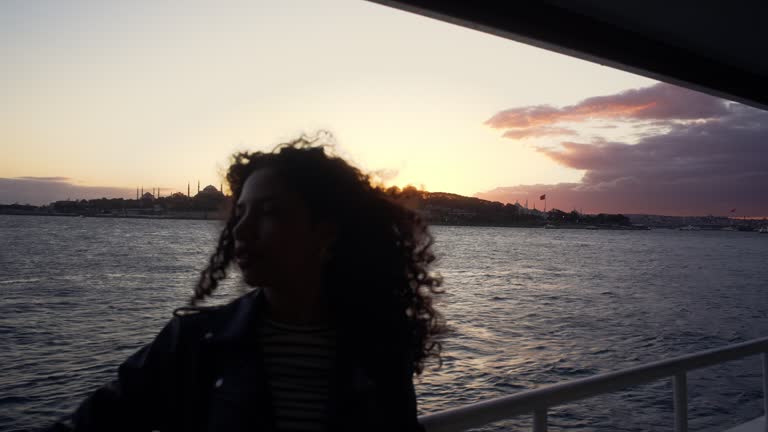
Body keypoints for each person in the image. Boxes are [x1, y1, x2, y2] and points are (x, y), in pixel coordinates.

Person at [45, 136, 445, 432]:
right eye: (241, 212)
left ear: (325, 232)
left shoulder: (377, 350)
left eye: (268, 212)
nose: (241, 229)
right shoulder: (193, 343)